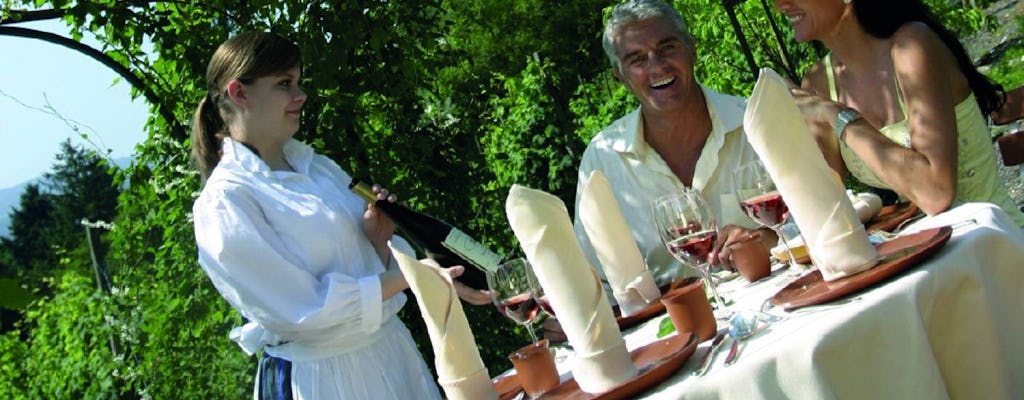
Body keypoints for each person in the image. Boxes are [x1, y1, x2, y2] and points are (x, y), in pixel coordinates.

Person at [190, 32, 488, 400]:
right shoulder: (226, 201)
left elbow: (370, 280)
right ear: (239, 93)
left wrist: (378, 243)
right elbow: (304, 309)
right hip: (325, 381)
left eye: (298, 82)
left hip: (391, 354)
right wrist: (413, 275)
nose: (300, 96)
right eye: (284, 84)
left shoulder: (319, 168)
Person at [774, 0, 1024, 226]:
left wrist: (835, 114)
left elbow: (935, 193)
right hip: (931, 256)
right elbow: (824, 208)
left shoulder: (911, 47)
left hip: (998, 247)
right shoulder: (819, 84)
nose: (779, 5)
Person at [573, 0, 768, 288]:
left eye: (667, 48)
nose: (657, 66)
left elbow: (817, 221)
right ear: (621, 77)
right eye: (637, 59)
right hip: (677, 325)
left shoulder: (756, 122)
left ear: (692, 48)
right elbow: (596, 281)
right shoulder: (602, 161)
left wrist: (766, 240)